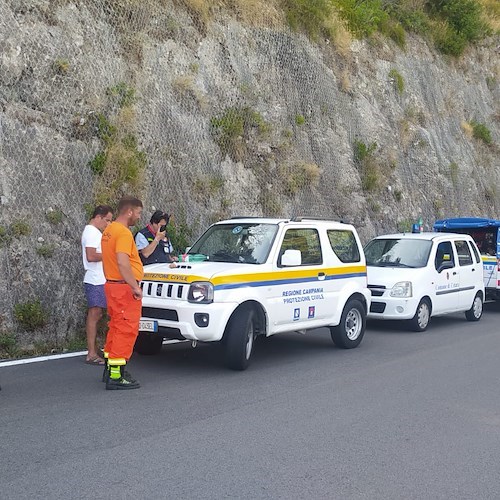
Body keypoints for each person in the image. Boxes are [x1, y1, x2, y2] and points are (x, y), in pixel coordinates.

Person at [101, 196, 144, 390]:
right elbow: (122, 261)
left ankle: (110, 369)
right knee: (126, 330)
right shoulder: (124, 233)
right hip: (124, 288)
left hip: (112, 285)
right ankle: (117, 376)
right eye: (138, 213)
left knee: (116, 327)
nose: (138, 217)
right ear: (129, 211)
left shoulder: (109, 230)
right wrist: (135, 286)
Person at [81, 205, 113, 365]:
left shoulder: (93, 232)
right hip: (95, 279)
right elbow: (91, 256)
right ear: (98, 217)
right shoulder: (92, 232)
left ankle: (94, 349)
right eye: (107, 220)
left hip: (99, 278)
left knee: (98, 313)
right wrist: (110, 253)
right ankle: (91, 353)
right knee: (95, 314)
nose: (108, 224)